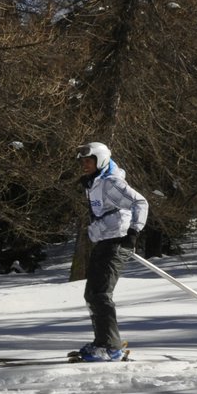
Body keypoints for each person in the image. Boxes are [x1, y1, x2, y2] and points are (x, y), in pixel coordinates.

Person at [72, 142, 148, 362]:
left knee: (101, 294)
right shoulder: (95, 182)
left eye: (89, 160)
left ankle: (111, 348)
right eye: (83, 161)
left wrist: (133, 232)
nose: (85, 165)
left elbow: (140, 203)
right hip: (105, 240)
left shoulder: (111, 182)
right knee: (92, 294)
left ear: (101, 160)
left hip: (118, 241)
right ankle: (102, 342)